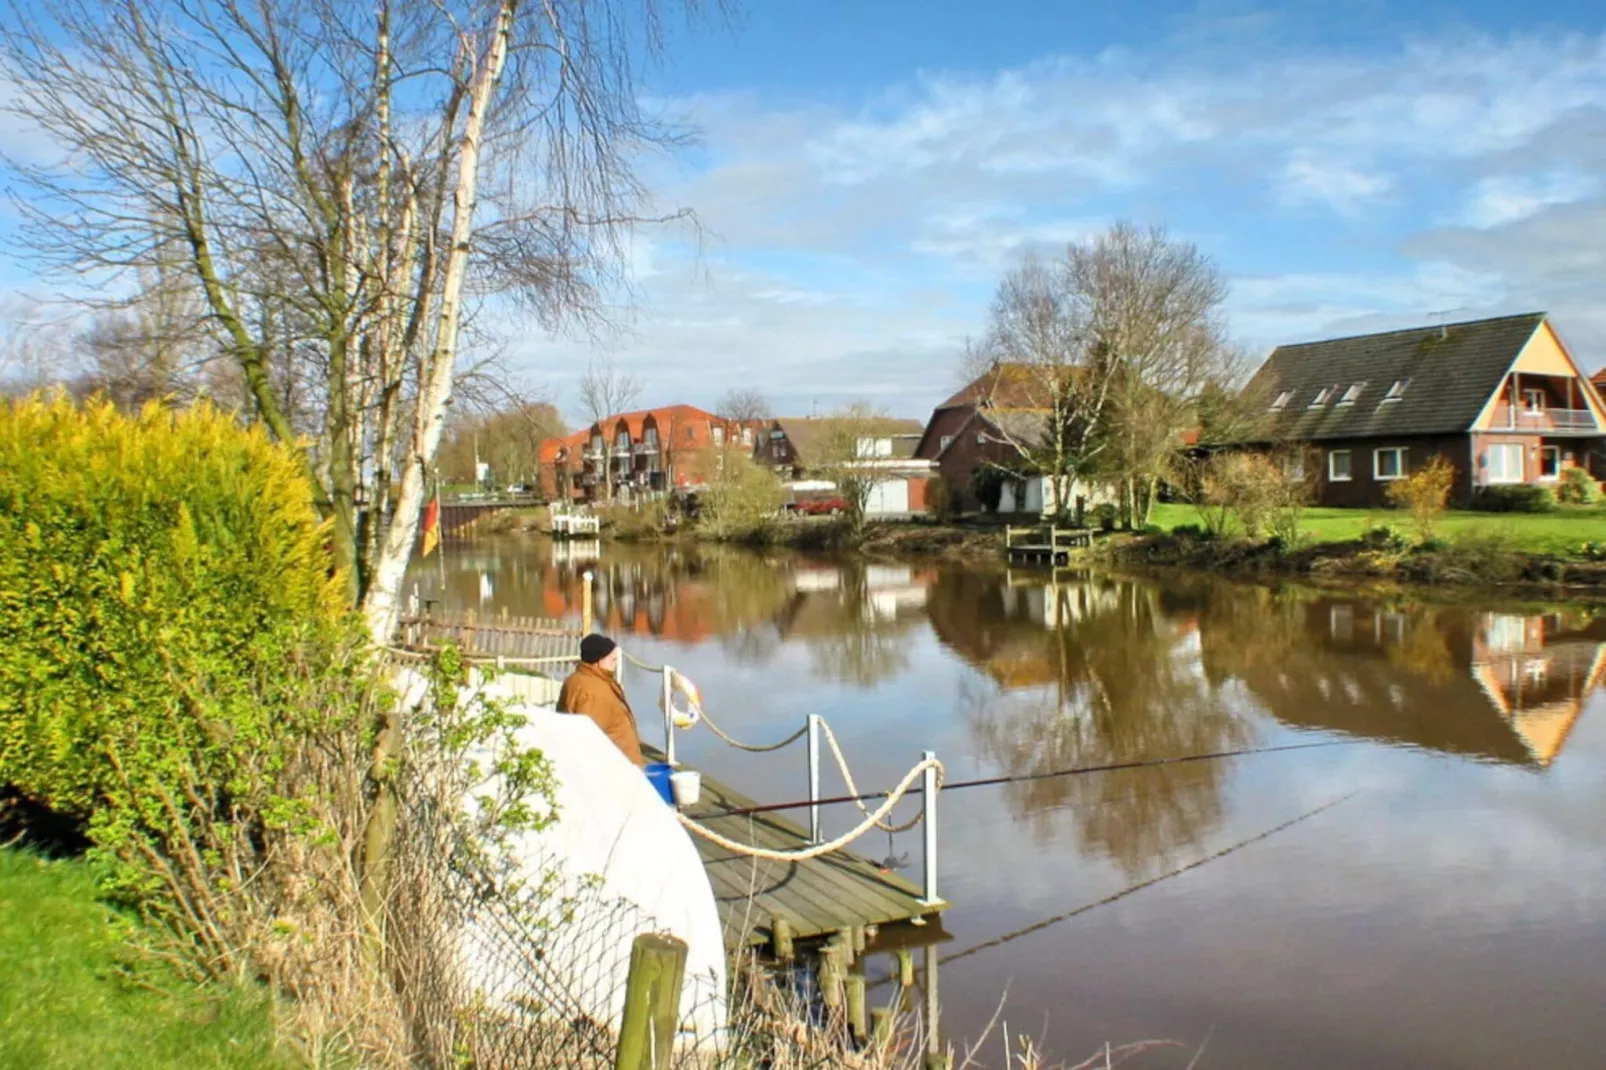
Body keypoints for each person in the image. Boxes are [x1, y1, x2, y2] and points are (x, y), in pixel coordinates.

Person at [556, 634, 644, 768]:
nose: (615, 661)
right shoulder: (591, 692)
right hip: (615, 769)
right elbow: (589, 738)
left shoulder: (584, 680)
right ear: (598, 661)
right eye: (612, 659)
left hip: (620, 763)